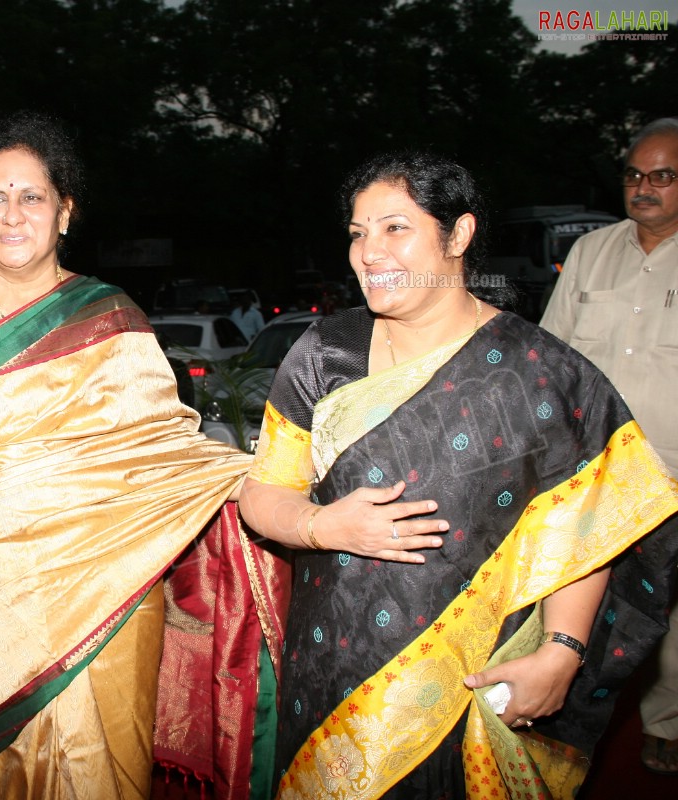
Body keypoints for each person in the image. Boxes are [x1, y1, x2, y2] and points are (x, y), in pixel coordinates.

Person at [0, 112, 282, 799]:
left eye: (31, 197)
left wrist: (286, 496)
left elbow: (167, 455)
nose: (12, 214)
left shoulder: (112, 318)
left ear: (65, 210)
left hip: (107, 591)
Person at [238, 151, 678, 797]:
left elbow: (587, 527)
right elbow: (262, 494)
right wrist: (319, 523)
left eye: (395, 228)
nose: (369, 252)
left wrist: (562, 652)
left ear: (459, 234)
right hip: (329, 662)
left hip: (472, 678)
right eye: (358, 233)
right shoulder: (322, 353)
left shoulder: (541, 371)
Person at [540, 117, 678, 776]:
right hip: (592, 475)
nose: (644, 188)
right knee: (576, 601)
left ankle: (666, 723)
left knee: (670, 612)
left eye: (663, 176)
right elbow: (553, 357)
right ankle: (560, 718)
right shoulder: (591, 251)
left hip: (674, 474)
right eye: (633, 174)